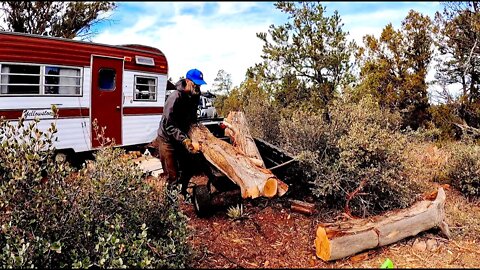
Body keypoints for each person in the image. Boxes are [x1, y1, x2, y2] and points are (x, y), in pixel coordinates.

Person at [157, 68, 207, 196]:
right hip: (167, 138)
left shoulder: (195, 95)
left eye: (199, 84)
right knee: (172, 174)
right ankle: (172, 206)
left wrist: (195, 130)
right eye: (195, 84)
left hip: (182, 136)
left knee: (189, 167)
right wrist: (184, 140)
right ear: (187, 81)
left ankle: (182, 192)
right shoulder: (175, 97)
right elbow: (169, 124)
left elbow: (192, 117)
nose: (198, 87)